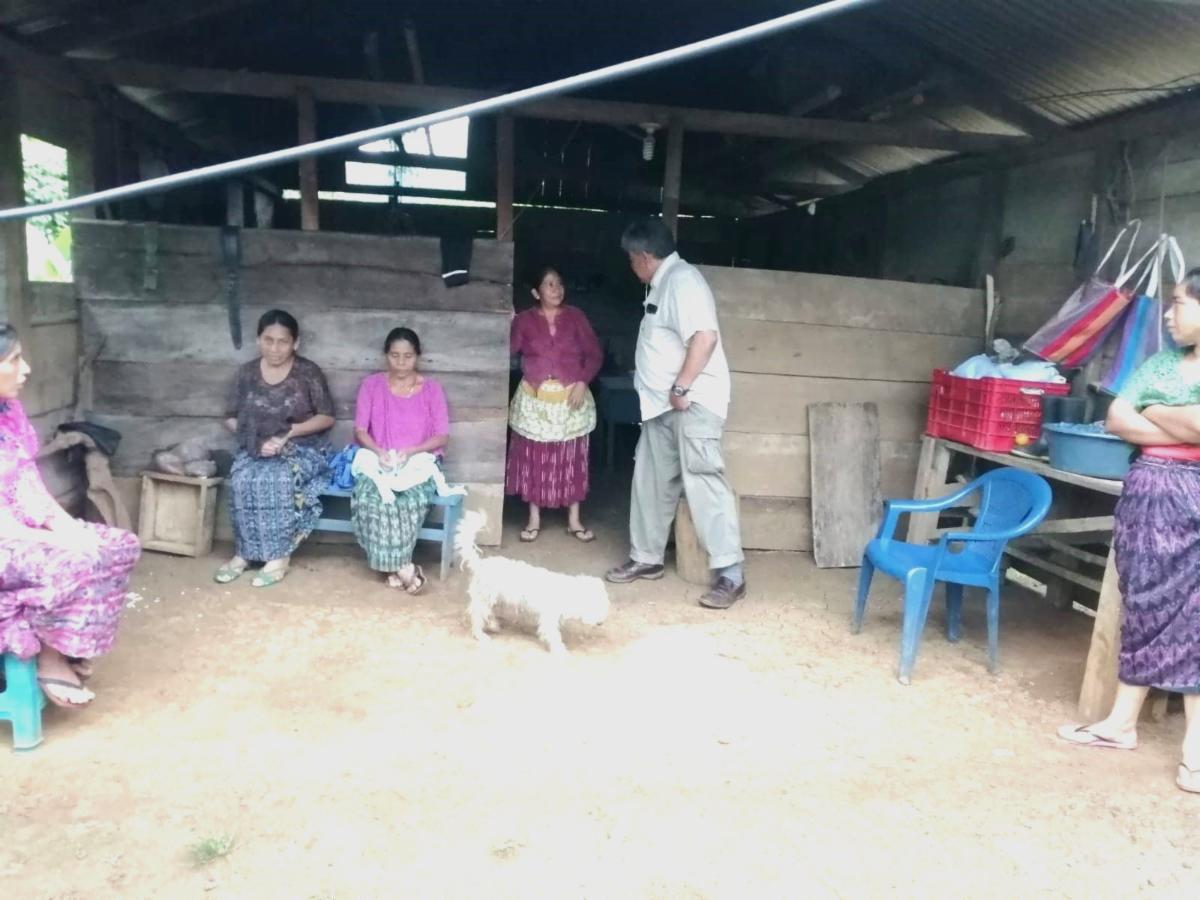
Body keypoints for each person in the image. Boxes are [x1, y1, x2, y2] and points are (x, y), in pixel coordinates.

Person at [1057, 269, 1200, 795]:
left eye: (1180, 303)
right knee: (1143, 602)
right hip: (1149, 496)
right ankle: (1120, 724)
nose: (1169, 314)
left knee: (1196, 612)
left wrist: (1154, 409)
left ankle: (1196, 750)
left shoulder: (1159, 379)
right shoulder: (1160, 363)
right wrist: (1179, 421)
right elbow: (1117, 418)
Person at [604, 218, 746, 609]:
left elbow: (705, 337)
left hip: (690, 403)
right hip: (662, 407)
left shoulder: (683, 281)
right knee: (650, 481)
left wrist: (682, 386)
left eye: (631, 258)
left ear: (643, 255)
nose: (630, 265)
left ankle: (731, 573)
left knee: (703, 480)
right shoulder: (662, 284)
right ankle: (646, 558)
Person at [0, 324, 140, 708]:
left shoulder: (9, 415)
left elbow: (29, 486)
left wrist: (68, 527)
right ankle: (51, 656)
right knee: (75, 559)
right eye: (14, 360)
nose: (26, 369)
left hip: (20, 533)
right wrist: (57, 540)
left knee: (117, 545)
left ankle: (69, 643)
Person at [215, 309, 335, 588]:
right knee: (243, 478)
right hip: (256, 448)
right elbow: (230, 417)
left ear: (296, 343)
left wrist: (289, 434)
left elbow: (326, 417)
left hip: (303, 448)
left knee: (277, 479)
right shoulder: (247, 373)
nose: (275, 348)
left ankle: (279, 556)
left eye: (283, 341)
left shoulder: (307, 372)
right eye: (268, 340)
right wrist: (255, 440)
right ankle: (244, 553)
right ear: (258, 340)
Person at [506, 266, 603, 542]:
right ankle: (533, 519)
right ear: (536, 292)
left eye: (559, 283)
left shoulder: (576, 317)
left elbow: (594, 354)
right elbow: (510, 349)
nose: (557, 289)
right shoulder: (524, 320)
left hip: (570, 398)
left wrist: (583, 382)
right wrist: (506, 323)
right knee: (535, 456)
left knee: (571, 457)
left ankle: (574, 520)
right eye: (549, 284)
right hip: (535, 397)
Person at [351, 327, 449, 594]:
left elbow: (441, 436)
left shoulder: (432, 390)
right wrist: (379, 451)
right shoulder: (371, 386)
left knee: (407, 502)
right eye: (395, 356)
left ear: (417, 356)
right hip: (380, 460)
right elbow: (360, 431)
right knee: (369, 499)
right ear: (386, 355)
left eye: (408, 356)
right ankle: (403, 568)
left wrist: (412, 450)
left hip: (419, 462)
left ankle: (392, 568)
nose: (401, 363)